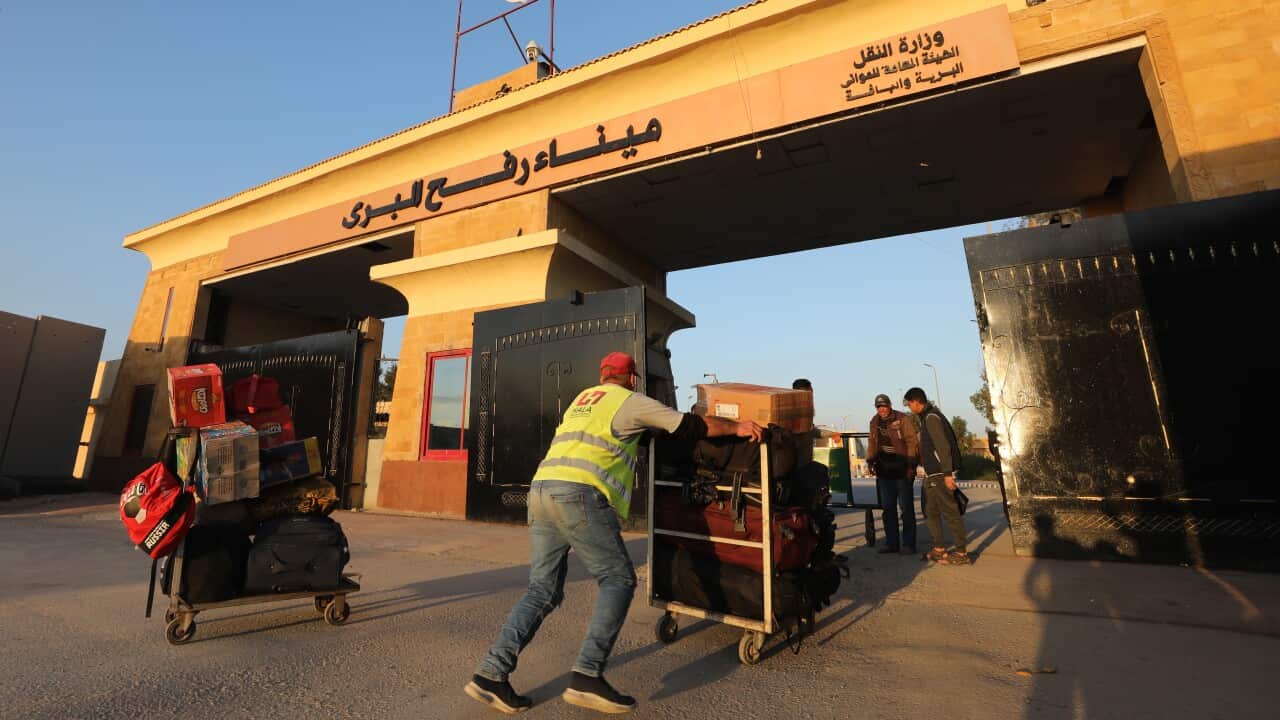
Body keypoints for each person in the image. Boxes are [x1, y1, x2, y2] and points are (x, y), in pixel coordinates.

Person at [466, 351, 764, 715]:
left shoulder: (581, 402)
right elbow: (688, 426)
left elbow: (627, 438)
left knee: (541, 589)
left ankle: (491, 673)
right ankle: (588, 675)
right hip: (579, 496)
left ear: (602, 374)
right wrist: (737, 427)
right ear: (632, 378)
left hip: (541, 492)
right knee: (618, 579)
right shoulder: (632, 400)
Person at [903, 387, 970, 566]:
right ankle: (939, 549)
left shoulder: (932, 418)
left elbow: (943, 447)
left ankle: (961, 552)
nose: (909, 407)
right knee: (930, 510)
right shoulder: (926, 418)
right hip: (931, 474)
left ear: (916, 402)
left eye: (909, 404)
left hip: (940, 473)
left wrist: (948, 474)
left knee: (950, 510)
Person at [866, 393, 919, 555]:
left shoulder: (903, 419)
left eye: (884, 406)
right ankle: (892, 543)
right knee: (888, 509)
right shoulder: (874, 421)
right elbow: (872, 442)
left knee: (906, 509)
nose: (882, 410)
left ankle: (909, 544)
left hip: (902, 470)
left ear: (890, 405)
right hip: (884, 470)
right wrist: (870, 461)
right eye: (879, 407)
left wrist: (911, 465)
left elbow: (912, 442)